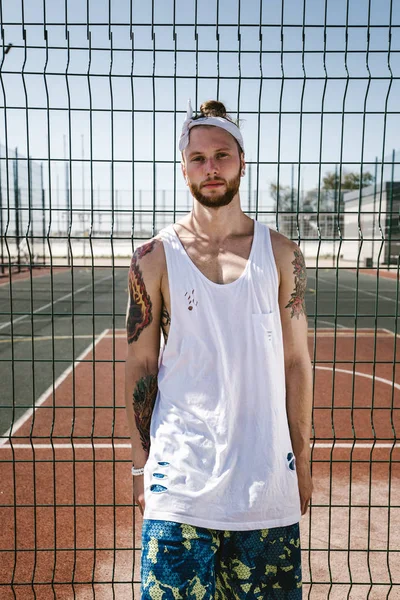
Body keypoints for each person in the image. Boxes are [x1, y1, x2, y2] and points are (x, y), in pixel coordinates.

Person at [124, 99, 313, 599]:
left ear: (242, 162)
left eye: (222, 155)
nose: (211, 168)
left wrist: (303, 461)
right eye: (199, 158)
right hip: (178, 489)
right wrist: (144, 466)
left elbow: (296, 362)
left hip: (266, 486)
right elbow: (142, 362)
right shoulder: (153, 257)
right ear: (183, 167)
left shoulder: (282, 254)